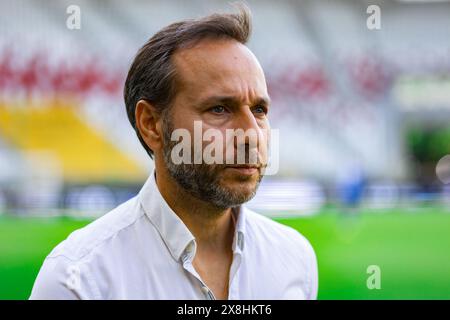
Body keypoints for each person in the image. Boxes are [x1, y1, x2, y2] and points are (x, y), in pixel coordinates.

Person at [30, 5, 318, 300]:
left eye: (259, 110)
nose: (252, 135)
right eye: (219, 109)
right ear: (151, 124)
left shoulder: (295, 259)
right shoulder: (78, 280)